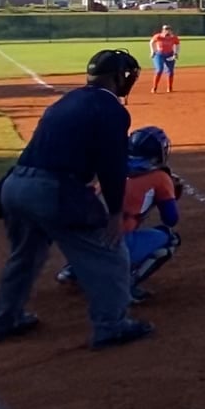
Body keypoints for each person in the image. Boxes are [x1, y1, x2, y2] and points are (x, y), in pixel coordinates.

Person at [0, 48, 153, 351]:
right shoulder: (111, 109)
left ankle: (4, 320)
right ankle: (111, 326)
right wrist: (115, 212)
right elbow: (111, 165)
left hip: (14, 185)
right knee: (110, 254)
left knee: (24, 257)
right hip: (52, 190)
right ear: (117, 78)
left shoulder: (67, 100)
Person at [56, 126, 184, 303]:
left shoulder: (114, 165)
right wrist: (165, 196)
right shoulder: (160, 178)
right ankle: (126, 286)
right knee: (171, 239)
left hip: (79, 239)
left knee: (99, 226)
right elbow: (171, 219)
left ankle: (73, 270)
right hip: (113, 242)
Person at [148, 25, 181, 94]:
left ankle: (169, 88)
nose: (167, 31)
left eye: (169, 29)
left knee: (170, 71)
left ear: (171, 30)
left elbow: (177, 44)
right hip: (159, 54)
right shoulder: (158, 36)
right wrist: (152, 51)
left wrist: (176, 53)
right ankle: (154, 87)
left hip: (170, 54)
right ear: (163, 30)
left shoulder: (174, 37)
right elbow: (151, 42)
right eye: (166, 29)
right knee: (159, 70)